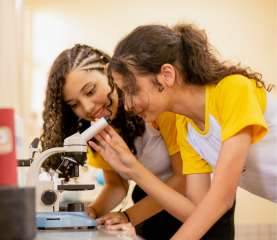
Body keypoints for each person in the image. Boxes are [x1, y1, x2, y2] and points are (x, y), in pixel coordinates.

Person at [89, 22, 276, 240]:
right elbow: (194, 211)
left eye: (131, 90)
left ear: (166, 75)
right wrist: (132, 168)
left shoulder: (233, 89)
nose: (127, 105)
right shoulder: (186, 126)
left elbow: (222, 199)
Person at [40, 44, 187, 239]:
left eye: (91, 91)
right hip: (149, 207)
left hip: (193, 202)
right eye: (74, 104)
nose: (87, 107)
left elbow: (184, 178)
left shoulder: (155, 106)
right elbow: (116, 186)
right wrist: (92, 211)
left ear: (109, 72)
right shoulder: (96, 133)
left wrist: (128, 215)